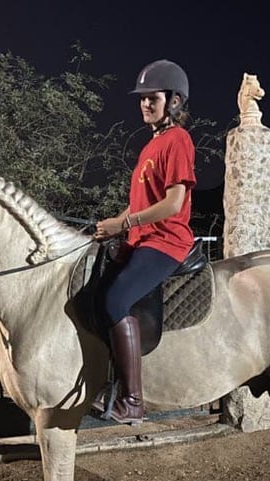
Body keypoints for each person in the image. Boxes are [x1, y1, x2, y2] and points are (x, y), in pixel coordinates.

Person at [92, 59, 196, 424]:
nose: (145, 104)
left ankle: (132, 401)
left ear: (174, 102)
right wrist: (115, 225)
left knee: (115, 299)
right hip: (140, 238)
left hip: (166, 240)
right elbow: (140, 202)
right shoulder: (151, 145)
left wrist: (125, 223)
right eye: (142, 99)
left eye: (153, 98)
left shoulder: (178, 140)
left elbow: (173, 204)